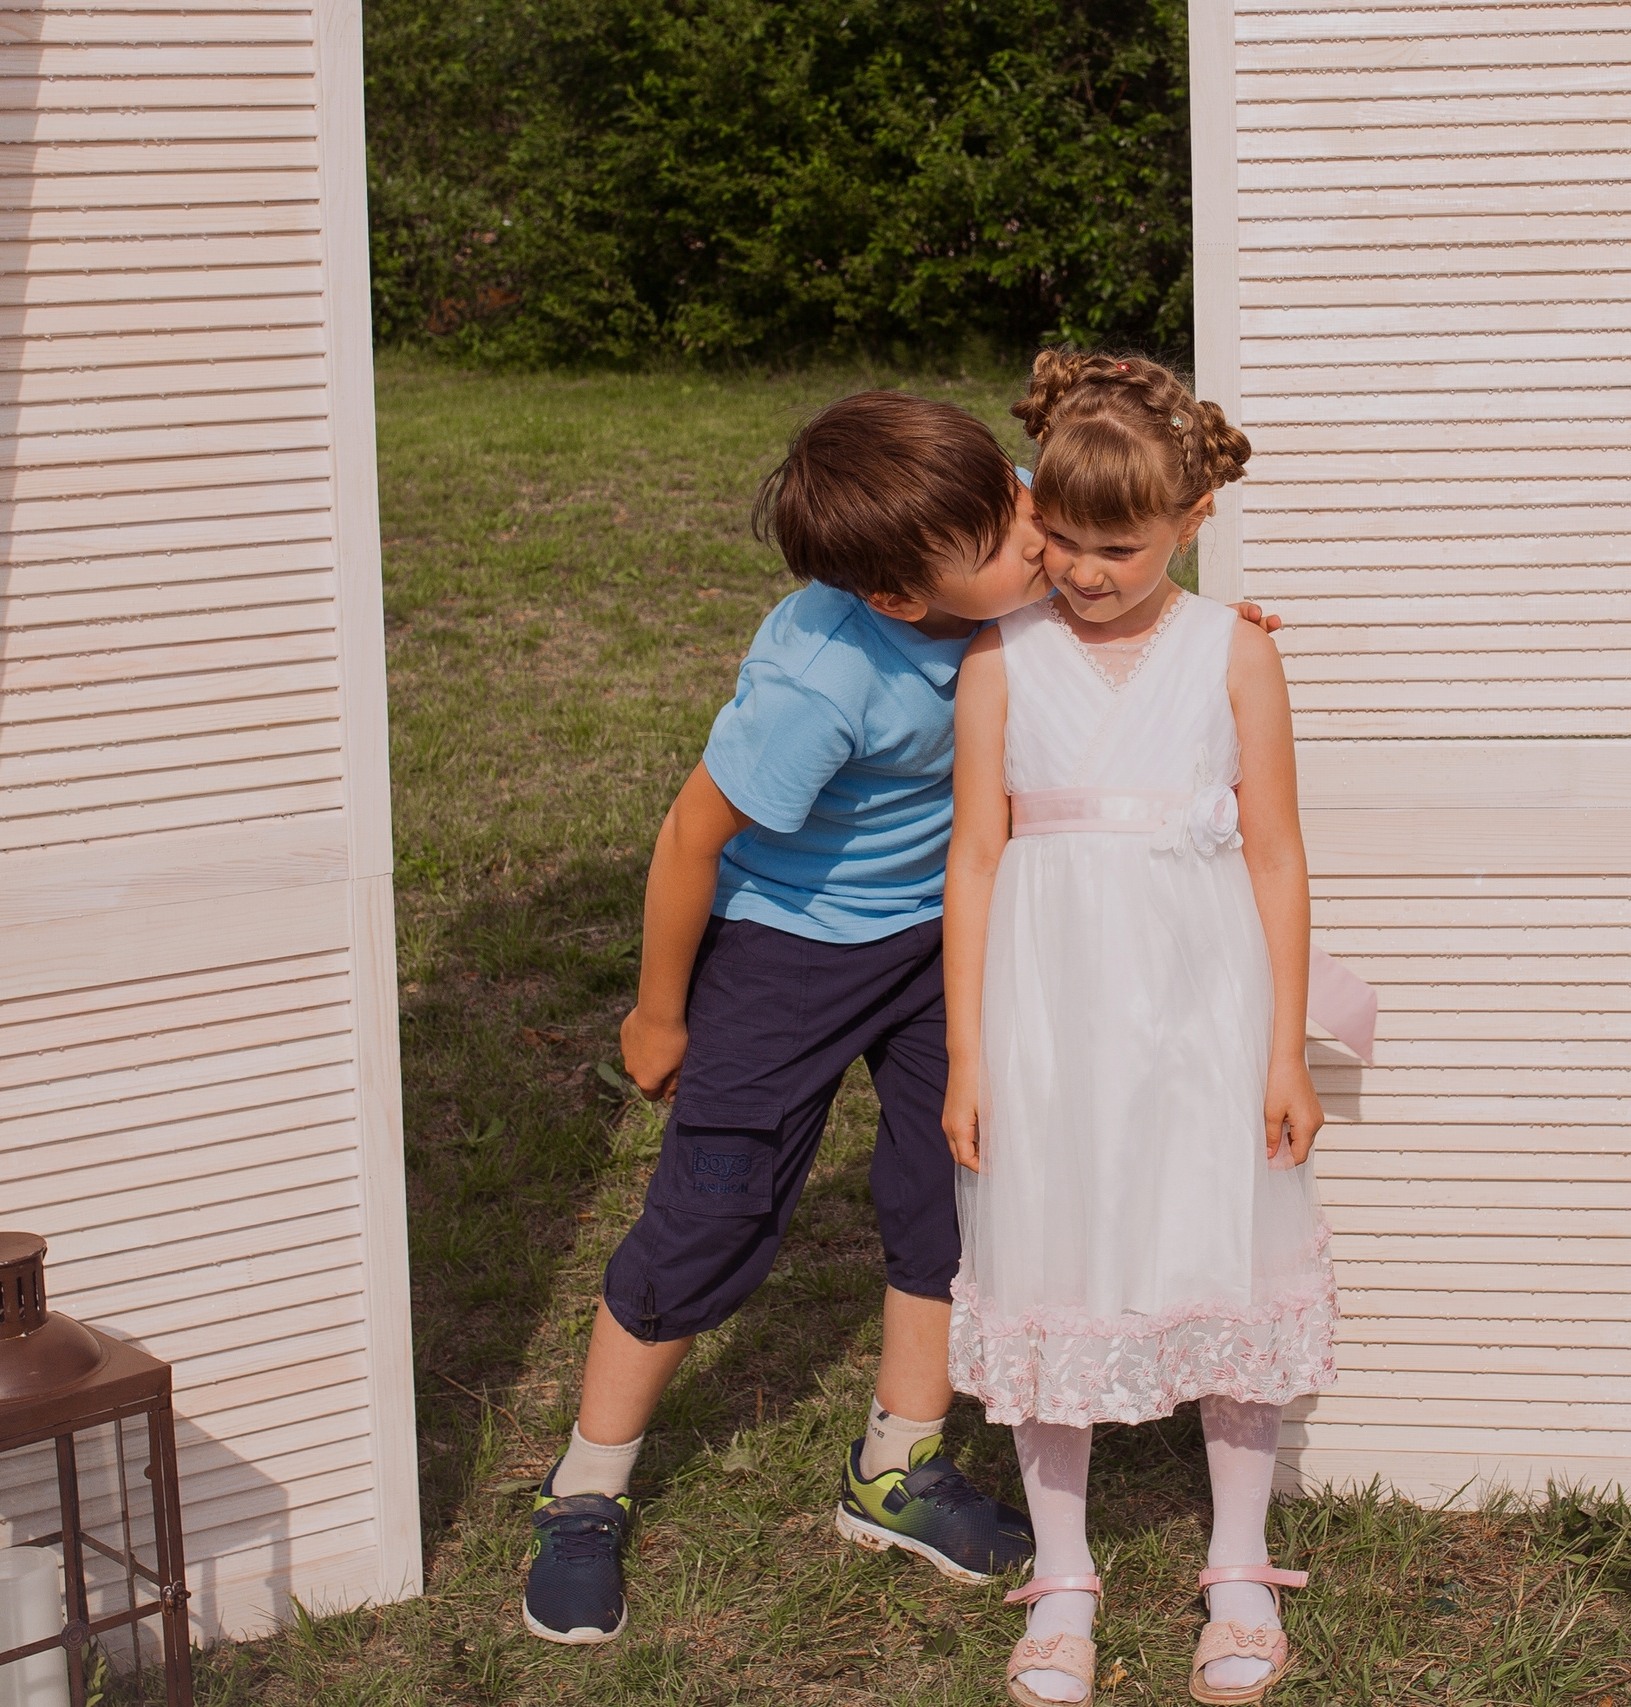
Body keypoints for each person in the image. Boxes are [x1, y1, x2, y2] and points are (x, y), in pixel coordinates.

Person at [523, 391, 1047, 1645]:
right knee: (712, 1209)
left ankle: (895, 1471)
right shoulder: (822, 680)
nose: (1035, 537)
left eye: (1016, 501)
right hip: (785, 952)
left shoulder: (1000, 524)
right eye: (1002, 537)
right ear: (901, 600)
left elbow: (1127, 541)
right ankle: (584, 1491)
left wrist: (1214, 633)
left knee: (946, 1186)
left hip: (937, 942)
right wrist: (660, 1013)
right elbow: (691, 836)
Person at [940, 353, 1338, 1707]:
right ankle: (1061, 1574)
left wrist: (1283, 1045)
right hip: (1044, 1010)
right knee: (1048, 1255)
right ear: (1033, 506)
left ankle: (1238, 1558)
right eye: (1065, 537)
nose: (1091, 570)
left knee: (1223, 1245)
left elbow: (1277, 855)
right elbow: (976, 861)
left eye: (1125, 545)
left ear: (1192, 522)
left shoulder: (1238, 652)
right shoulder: (1000, 659)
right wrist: (971, 1052)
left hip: (1202, 1008)